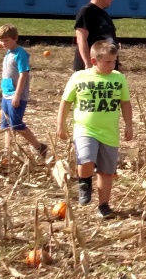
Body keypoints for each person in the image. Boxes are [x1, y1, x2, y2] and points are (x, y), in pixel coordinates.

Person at [56, 41, 133, 219]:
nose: (111, 65)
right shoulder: (79, 77)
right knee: (85, 159)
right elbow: (66, 101)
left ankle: (104, 205)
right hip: (85, 129)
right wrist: (61, 124)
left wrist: (129, 124)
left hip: (109, 133)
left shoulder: (118, 79)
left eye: (114, 61)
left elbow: (125, 103)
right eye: (107, 62)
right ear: (93, 60)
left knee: (106, 171)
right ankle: (84, 183)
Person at [0, 25, 49, 161]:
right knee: (6, 124)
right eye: (0, 40)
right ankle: (7, 152)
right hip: (6, 94)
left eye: (6, 40)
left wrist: (17, 95)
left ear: (15, 38)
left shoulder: (20, 54)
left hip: (16, 95)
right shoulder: (9, 53)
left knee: (16, 124)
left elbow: (23, 75)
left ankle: (39, 146)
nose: (2, 43)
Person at [74, 0, 117, 71]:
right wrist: (87, 63)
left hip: (105, 66)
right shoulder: (86, 11)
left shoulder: (104, 14)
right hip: (92, 66)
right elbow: (81, 39)